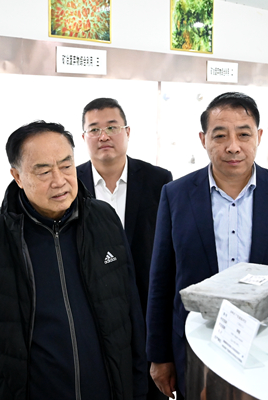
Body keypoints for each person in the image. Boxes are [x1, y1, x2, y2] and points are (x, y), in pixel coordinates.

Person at [0, 121, 147, 400]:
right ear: (17, 176)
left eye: (66, 166)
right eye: (43, 171)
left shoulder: (105, 220)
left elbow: (131, 314)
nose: (59, 180)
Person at [146, 92, 268, 399]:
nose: (233, 146)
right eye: (220, 135)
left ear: (259, 137)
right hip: (196, 344)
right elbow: (161, 280)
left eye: (243, 134)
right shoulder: (176, 195)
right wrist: (159, 356)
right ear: (203, 139)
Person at [77, 98, 173, 400]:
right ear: (84, 137)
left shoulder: (159, 180)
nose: (103, 136)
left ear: (127, 132)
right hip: (90, 309)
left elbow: (167, 251)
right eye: (94, 129)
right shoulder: (70, 182)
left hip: (145, 307)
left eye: (112, 127)